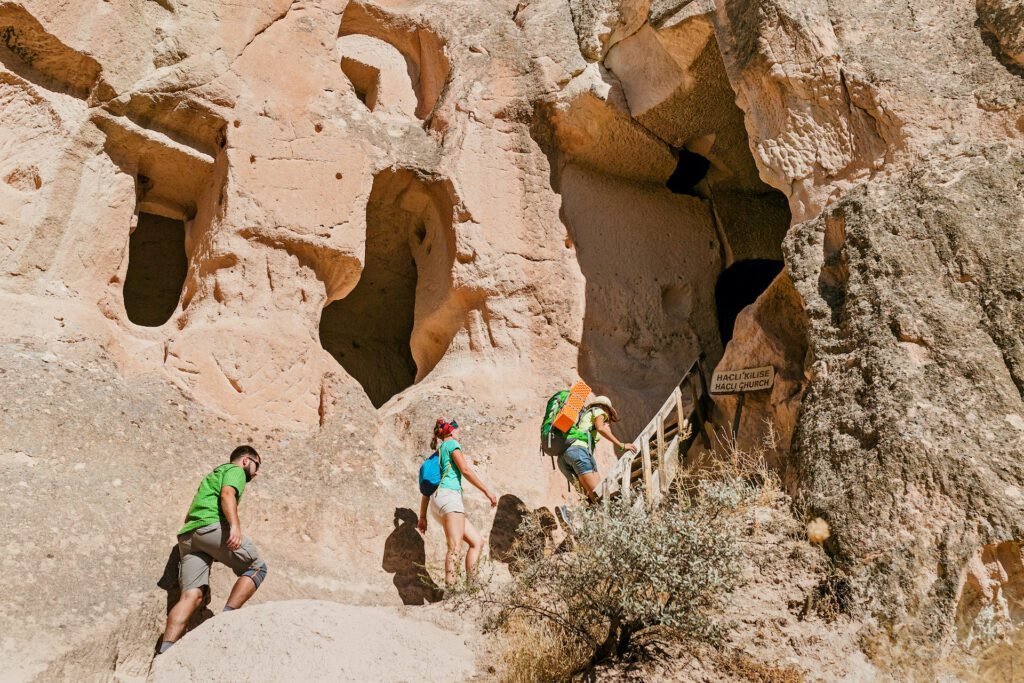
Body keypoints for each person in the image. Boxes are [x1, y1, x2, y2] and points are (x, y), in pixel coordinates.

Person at [158, 445, 267, 654]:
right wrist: (235, 525)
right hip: (211, 527)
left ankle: (165, 652)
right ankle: (225, 621)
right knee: (257, 568)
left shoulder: (213, 474)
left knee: (191, 596)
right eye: (256, 465)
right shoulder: (235, 471)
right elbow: (227, 494)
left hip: (189, 537)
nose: (257, 472)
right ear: (246, 460)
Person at [417, 419, 498, 586]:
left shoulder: (438, 453)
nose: (460, 434)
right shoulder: (452, 444)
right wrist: (486, 491)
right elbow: (466, 470)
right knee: (454, 547)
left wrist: (422, 517)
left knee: (477, 542)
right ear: (451, 432)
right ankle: (452, 590)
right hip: (450, 499)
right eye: (458, 431)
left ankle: (472, 587)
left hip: (438, 502)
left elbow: (427, 490)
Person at [557, 395, 637, 502]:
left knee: (588, 498)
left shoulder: (583, 417)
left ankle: (574, 516)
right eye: (609, 415)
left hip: (563, 457)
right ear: (607, 409)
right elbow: (600, 428)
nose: (608, 419)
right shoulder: (599, 411)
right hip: (579, 452)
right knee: (599, 497)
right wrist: (621, 445)